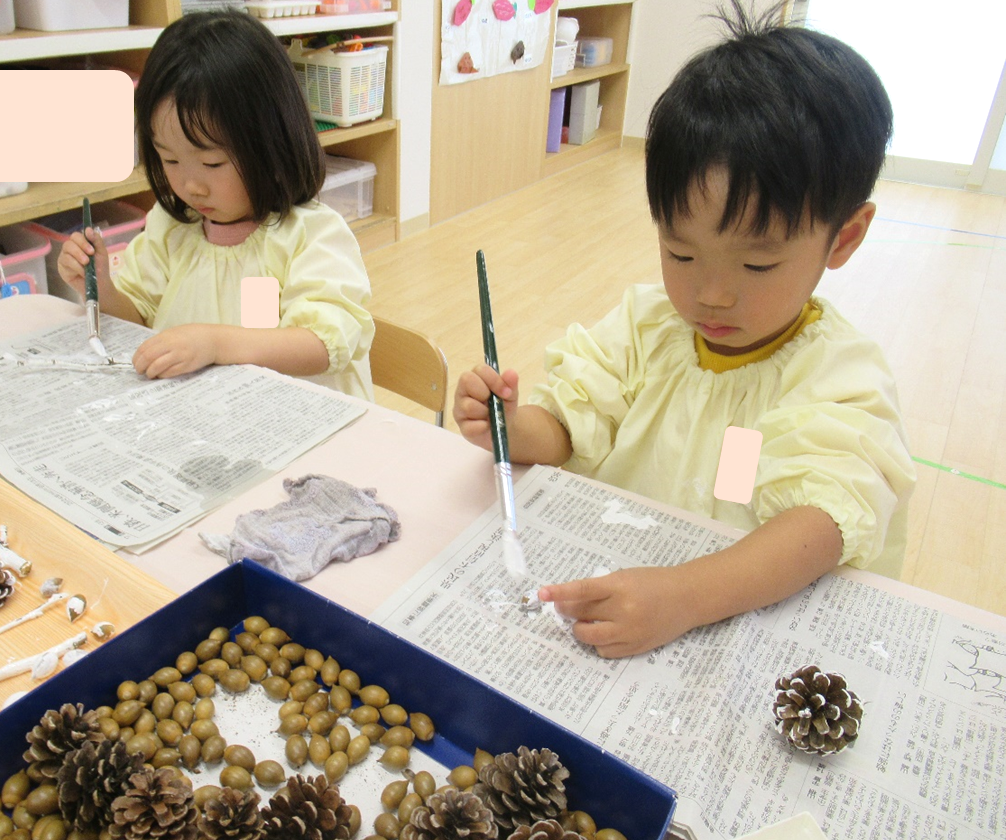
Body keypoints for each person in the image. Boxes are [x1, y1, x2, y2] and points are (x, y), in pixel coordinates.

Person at [453, 2, 916, 658]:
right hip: (623, 598)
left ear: (845, 237)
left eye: (757, 262)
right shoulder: (648, 328)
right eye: (681, 252)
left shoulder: (839, 374)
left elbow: (822, 524)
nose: (711, 294)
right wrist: (509, 424)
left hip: (734, 622)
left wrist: (685, 596)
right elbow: (570, 426)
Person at [58, 11, 374, 398]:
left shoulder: (311, 236)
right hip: (205, 421)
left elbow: (323, 345)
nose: (191, 186)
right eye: (169, 160)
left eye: (212, 163)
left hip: (292, 422)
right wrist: (100, 284)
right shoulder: (171, 229)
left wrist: (215, 344)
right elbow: (138, 320)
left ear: (271, 142)